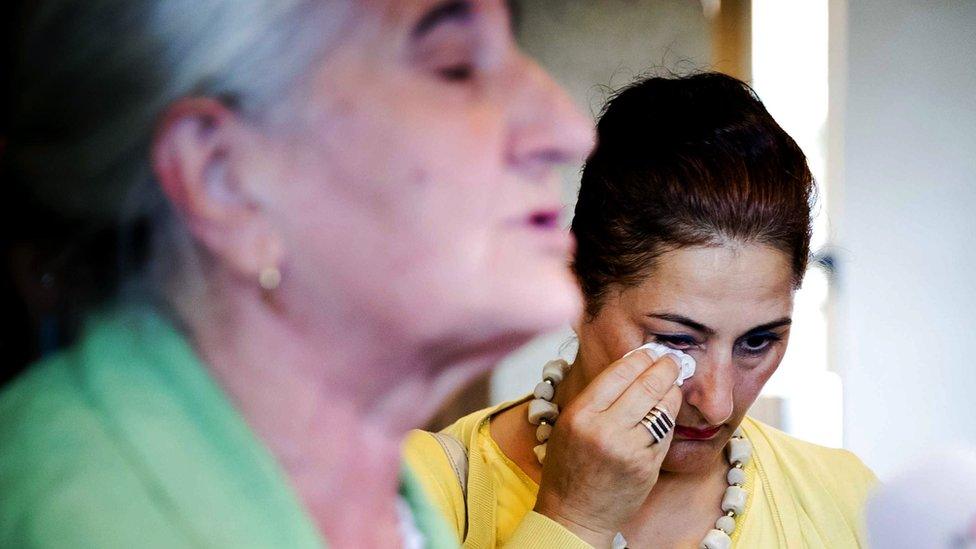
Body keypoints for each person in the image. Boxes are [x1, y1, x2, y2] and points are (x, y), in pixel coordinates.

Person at [0, 1, 593, 547]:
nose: (569, 130)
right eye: (455, 67)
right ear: (224, 177)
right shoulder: (85, 518)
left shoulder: (386, 507)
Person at [405, 73, 877, 548]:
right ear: (576, 289)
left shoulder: (848, 500)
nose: (717, 403)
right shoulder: (417, 496)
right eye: (677, 340)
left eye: (757, 342)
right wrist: (573, 520)